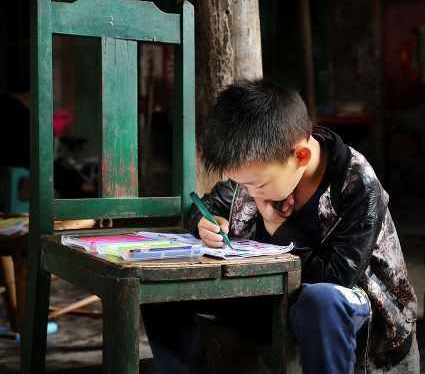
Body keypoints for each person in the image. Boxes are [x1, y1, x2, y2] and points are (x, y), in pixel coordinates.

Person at [142, 79, 418, 373]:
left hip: (348, 307)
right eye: (242, 184)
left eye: (258, 185)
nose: (249, 192)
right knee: (160, 289)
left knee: (320, 300)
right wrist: (204, 223)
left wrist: (278, 229)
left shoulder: (355, 183)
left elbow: (338, 277)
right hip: (266, 299)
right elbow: (209, 205)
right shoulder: (260, 167)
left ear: (301, 156)